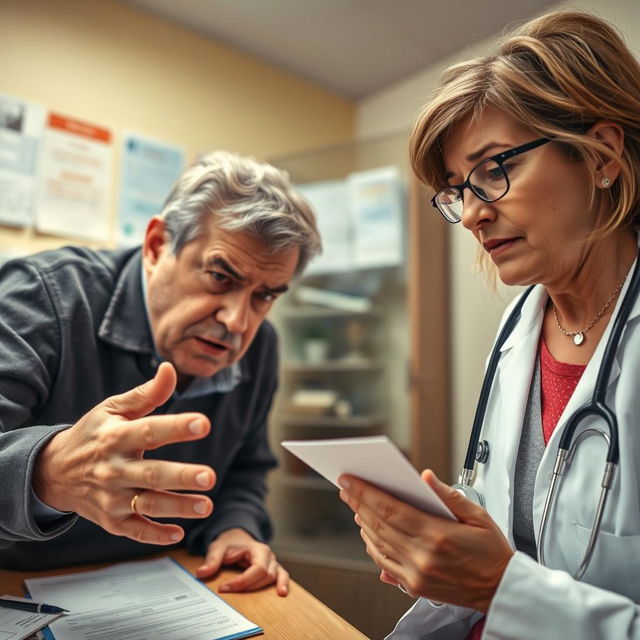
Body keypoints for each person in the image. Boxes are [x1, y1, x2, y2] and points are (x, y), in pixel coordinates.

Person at [338, 10, 640, 639]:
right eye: (457, 189)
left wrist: (498, 585)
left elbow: (512, 577)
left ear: (603, 156)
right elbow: (508, 519)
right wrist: (436, 540)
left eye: (495, 168)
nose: (473, 214)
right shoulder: (515, 334)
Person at [0, 150, 321, 597]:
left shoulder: (260, 346)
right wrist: (47, 474)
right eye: (220, 276)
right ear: (156, 246)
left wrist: (236, 530)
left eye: (264, 296)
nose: (237, 321)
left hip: (173, 586)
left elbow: (246, 469)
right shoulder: (43, 297)